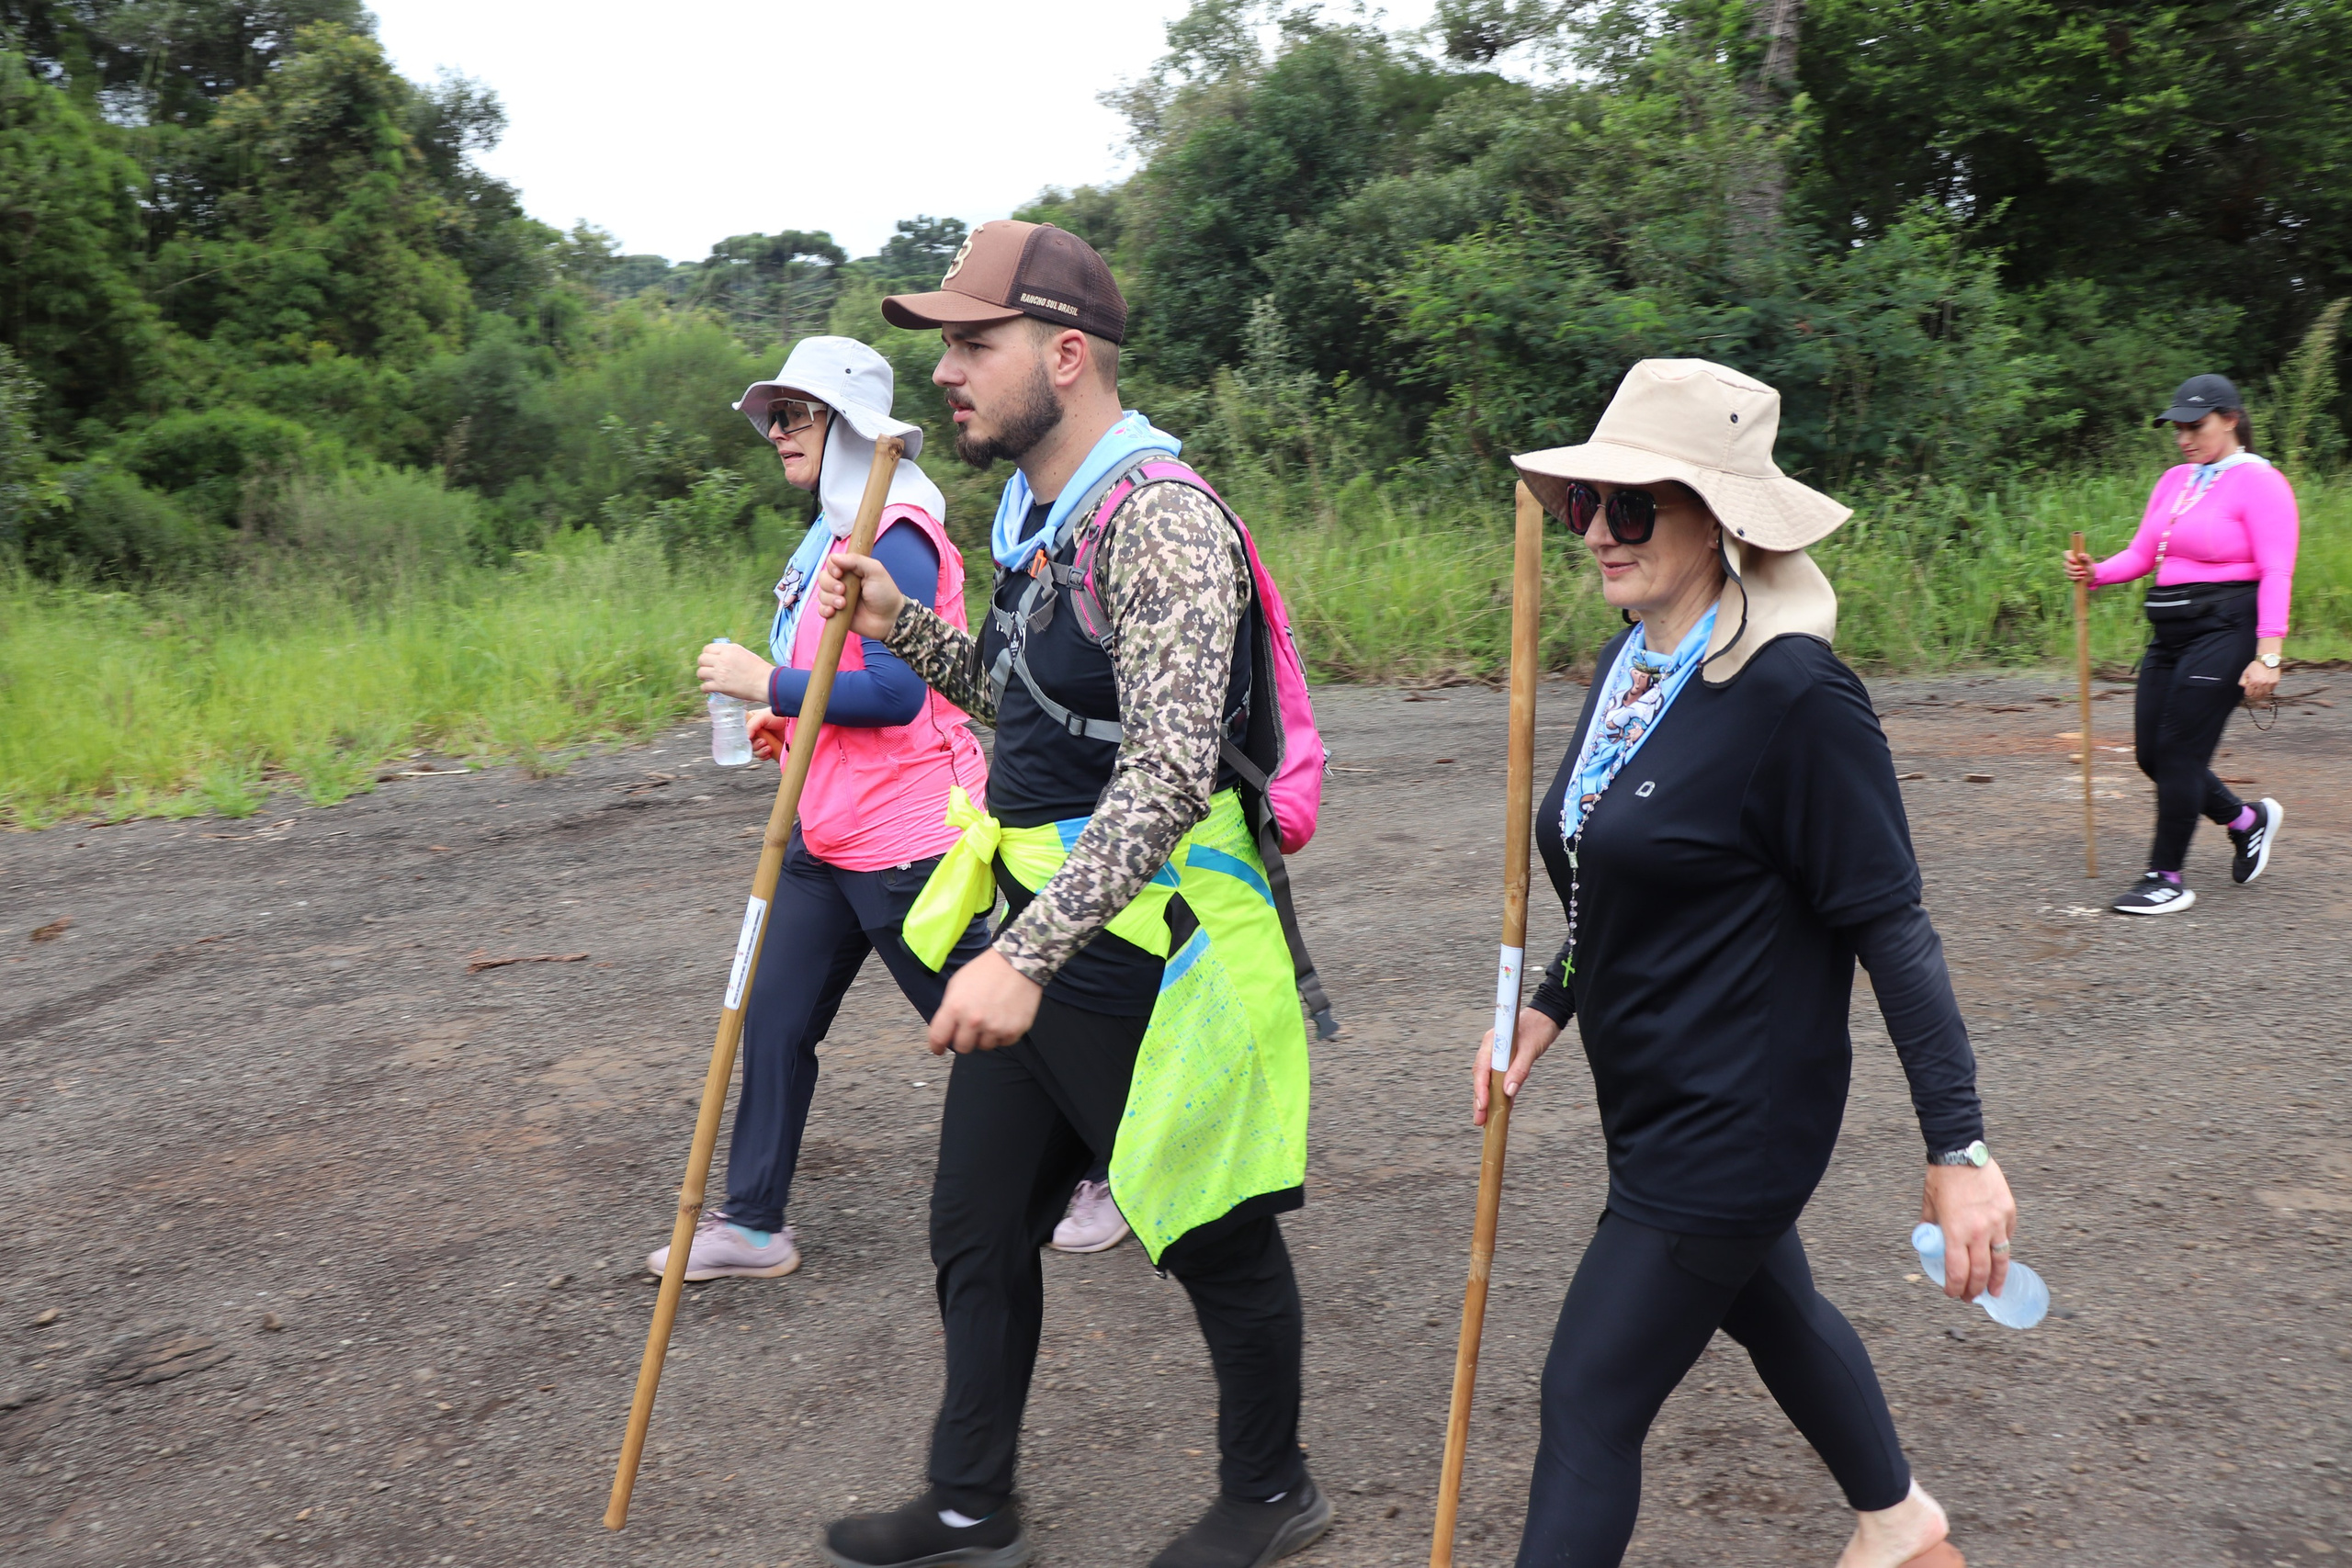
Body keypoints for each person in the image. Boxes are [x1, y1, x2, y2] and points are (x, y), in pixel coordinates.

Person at [807, 220, 1329, 1568]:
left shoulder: (1157, 518)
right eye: (947, 345)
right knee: (977, 1224)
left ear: (1068, 352)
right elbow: (1036, 721)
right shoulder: (1043, 512)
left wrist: (1022, 956)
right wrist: (906, 630)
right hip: (1045, 912)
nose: (948, 373)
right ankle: (973, 1505)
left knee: (1206, 1227)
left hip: (1140, 934)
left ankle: (1273, 1490)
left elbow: (1159, 775)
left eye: (974, 343)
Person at [1486, 359, 2018, 1568]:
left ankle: (1900, 1519)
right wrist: (1547, 1007)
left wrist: (1960, 1146)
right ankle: (1900, 1521)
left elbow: (1894, 924)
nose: (1597, 535)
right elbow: (1608, 868)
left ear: (1720, 516)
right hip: (1650, 1091)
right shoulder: (1628, 667)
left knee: (1586, 1400)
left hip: (1737, 1116)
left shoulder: (1798, 697)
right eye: (1584, 507)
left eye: (1631, 507)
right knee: (1767, 1304)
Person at [645, 335, 991, 1282]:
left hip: (906, 837)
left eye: (794, 415)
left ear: (847, 425)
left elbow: (894, 694)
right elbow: (832, 682)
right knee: (774, 1014)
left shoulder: (901, 533)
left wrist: (769, 681)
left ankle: (1106, 1166)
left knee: (980, 1020)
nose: (776, 433)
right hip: (826, 828)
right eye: (770, 418)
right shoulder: (833, 531)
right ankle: (755, 1222)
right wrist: (780, 718)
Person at [2064, 372, 2299, 915]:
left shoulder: (2263, 484)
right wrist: (2095, 572)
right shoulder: (2176, 480)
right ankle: (2246, 821)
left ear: (2231, 420)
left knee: (2178, 752)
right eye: (2177, 427)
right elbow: (2142, 554)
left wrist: (2269, 654)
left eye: (2196, 426)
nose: (2184, 437)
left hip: (2227, 627)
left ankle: (2165, 877)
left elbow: (2277, 570)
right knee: (2154, 753)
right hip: (2172, 630)